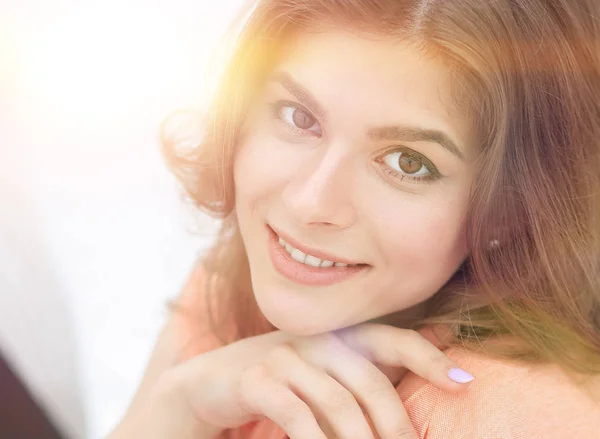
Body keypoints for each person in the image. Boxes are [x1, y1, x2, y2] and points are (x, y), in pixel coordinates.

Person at [108, 0, 600, 438]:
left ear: (510, 211)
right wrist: (181, 402)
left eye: (407, 162)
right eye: (299, 118)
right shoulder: (233, 281)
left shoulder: (529, 416)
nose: (309, 203)